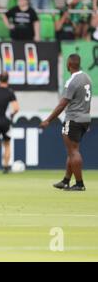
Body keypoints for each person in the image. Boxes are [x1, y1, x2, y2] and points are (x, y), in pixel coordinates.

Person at [40, 54, 92, 191]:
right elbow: (87, 101)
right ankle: (66, 181)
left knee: (73, 151)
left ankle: (79, 184)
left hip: (73, 119)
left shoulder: (72, 81)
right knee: (72, 151)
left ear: (68, 64)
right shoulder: (87, 78)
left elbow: (62, 105)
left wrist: (48, 120)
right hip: (84, 118)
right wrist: (87, 119)